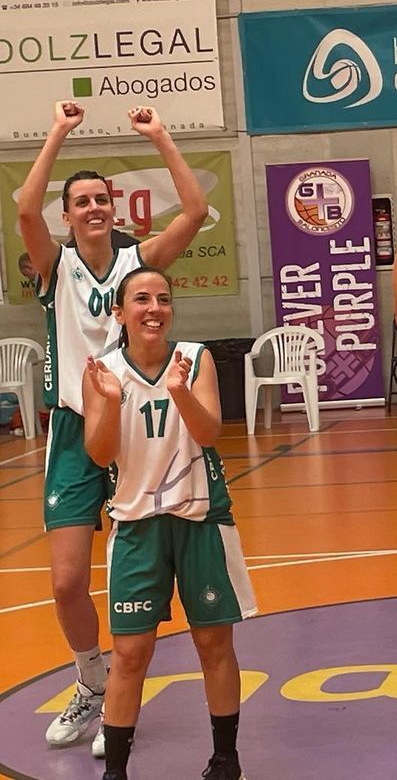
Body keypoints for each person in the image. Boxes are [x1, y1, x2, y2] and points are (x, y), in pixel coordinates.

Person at [17, 101, 208, 755]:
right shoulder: (56, 267)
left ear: (113, 209)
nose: (94, 208)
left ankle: (121, 704)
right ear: (67, 216)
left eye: (102, 199)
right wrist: (57, 133)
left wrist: (160, 135)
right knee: (68, 581)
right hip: (75, 430)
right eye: (82, 202)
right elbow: (22, 209)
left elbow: (193, 213)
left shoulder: (137, 267)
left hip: (135, 436)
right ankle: (90, 682)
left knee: (142, 580)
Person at [82, 267, 255, 780]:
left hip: (199, 517)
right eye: (141, 299)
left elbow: (208, 433)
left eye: (163, 299)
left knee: (213, 644)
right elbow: (100, 454)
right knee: (130, 654)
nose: (154, 308)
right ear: (119, 313)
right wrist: (111, 402)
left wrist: (179, 391)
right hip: (136, 526)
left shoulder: (195, 359)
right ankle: (116, 770)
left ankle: (226, 760)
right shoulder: (102, 372)